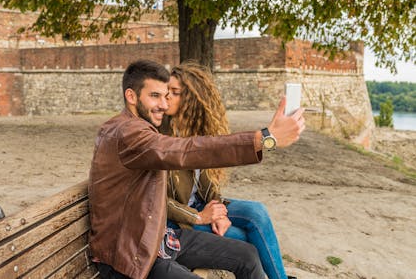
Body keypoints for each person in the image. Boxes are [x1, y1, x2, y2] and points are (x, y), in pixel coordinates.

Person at [89, 59, 305, 279]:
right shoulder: (127, 133)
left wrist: (217, 208)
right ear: (132, 97)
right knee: (239, 241)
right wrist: (264, 139)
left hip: (160, 238)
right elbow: (183, 152)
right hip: (133, 255)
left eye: (166, 96)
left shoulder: (143, 129)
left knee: (247, 255)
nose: (164, 104)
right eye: (155, 96)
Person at [163, 62, 296, 279]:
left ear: (192, 101)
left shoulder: (195, 132)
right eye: (166, 91)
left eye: (175, 92)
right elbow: (158, 201)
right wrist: (200, 216)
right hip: (179, 220)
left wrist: (218, 210)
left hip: (199, 206)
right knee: (243, 238)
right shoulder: (161, 136)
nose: (166, 96)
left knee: (257, 213)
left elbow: (206, 185)